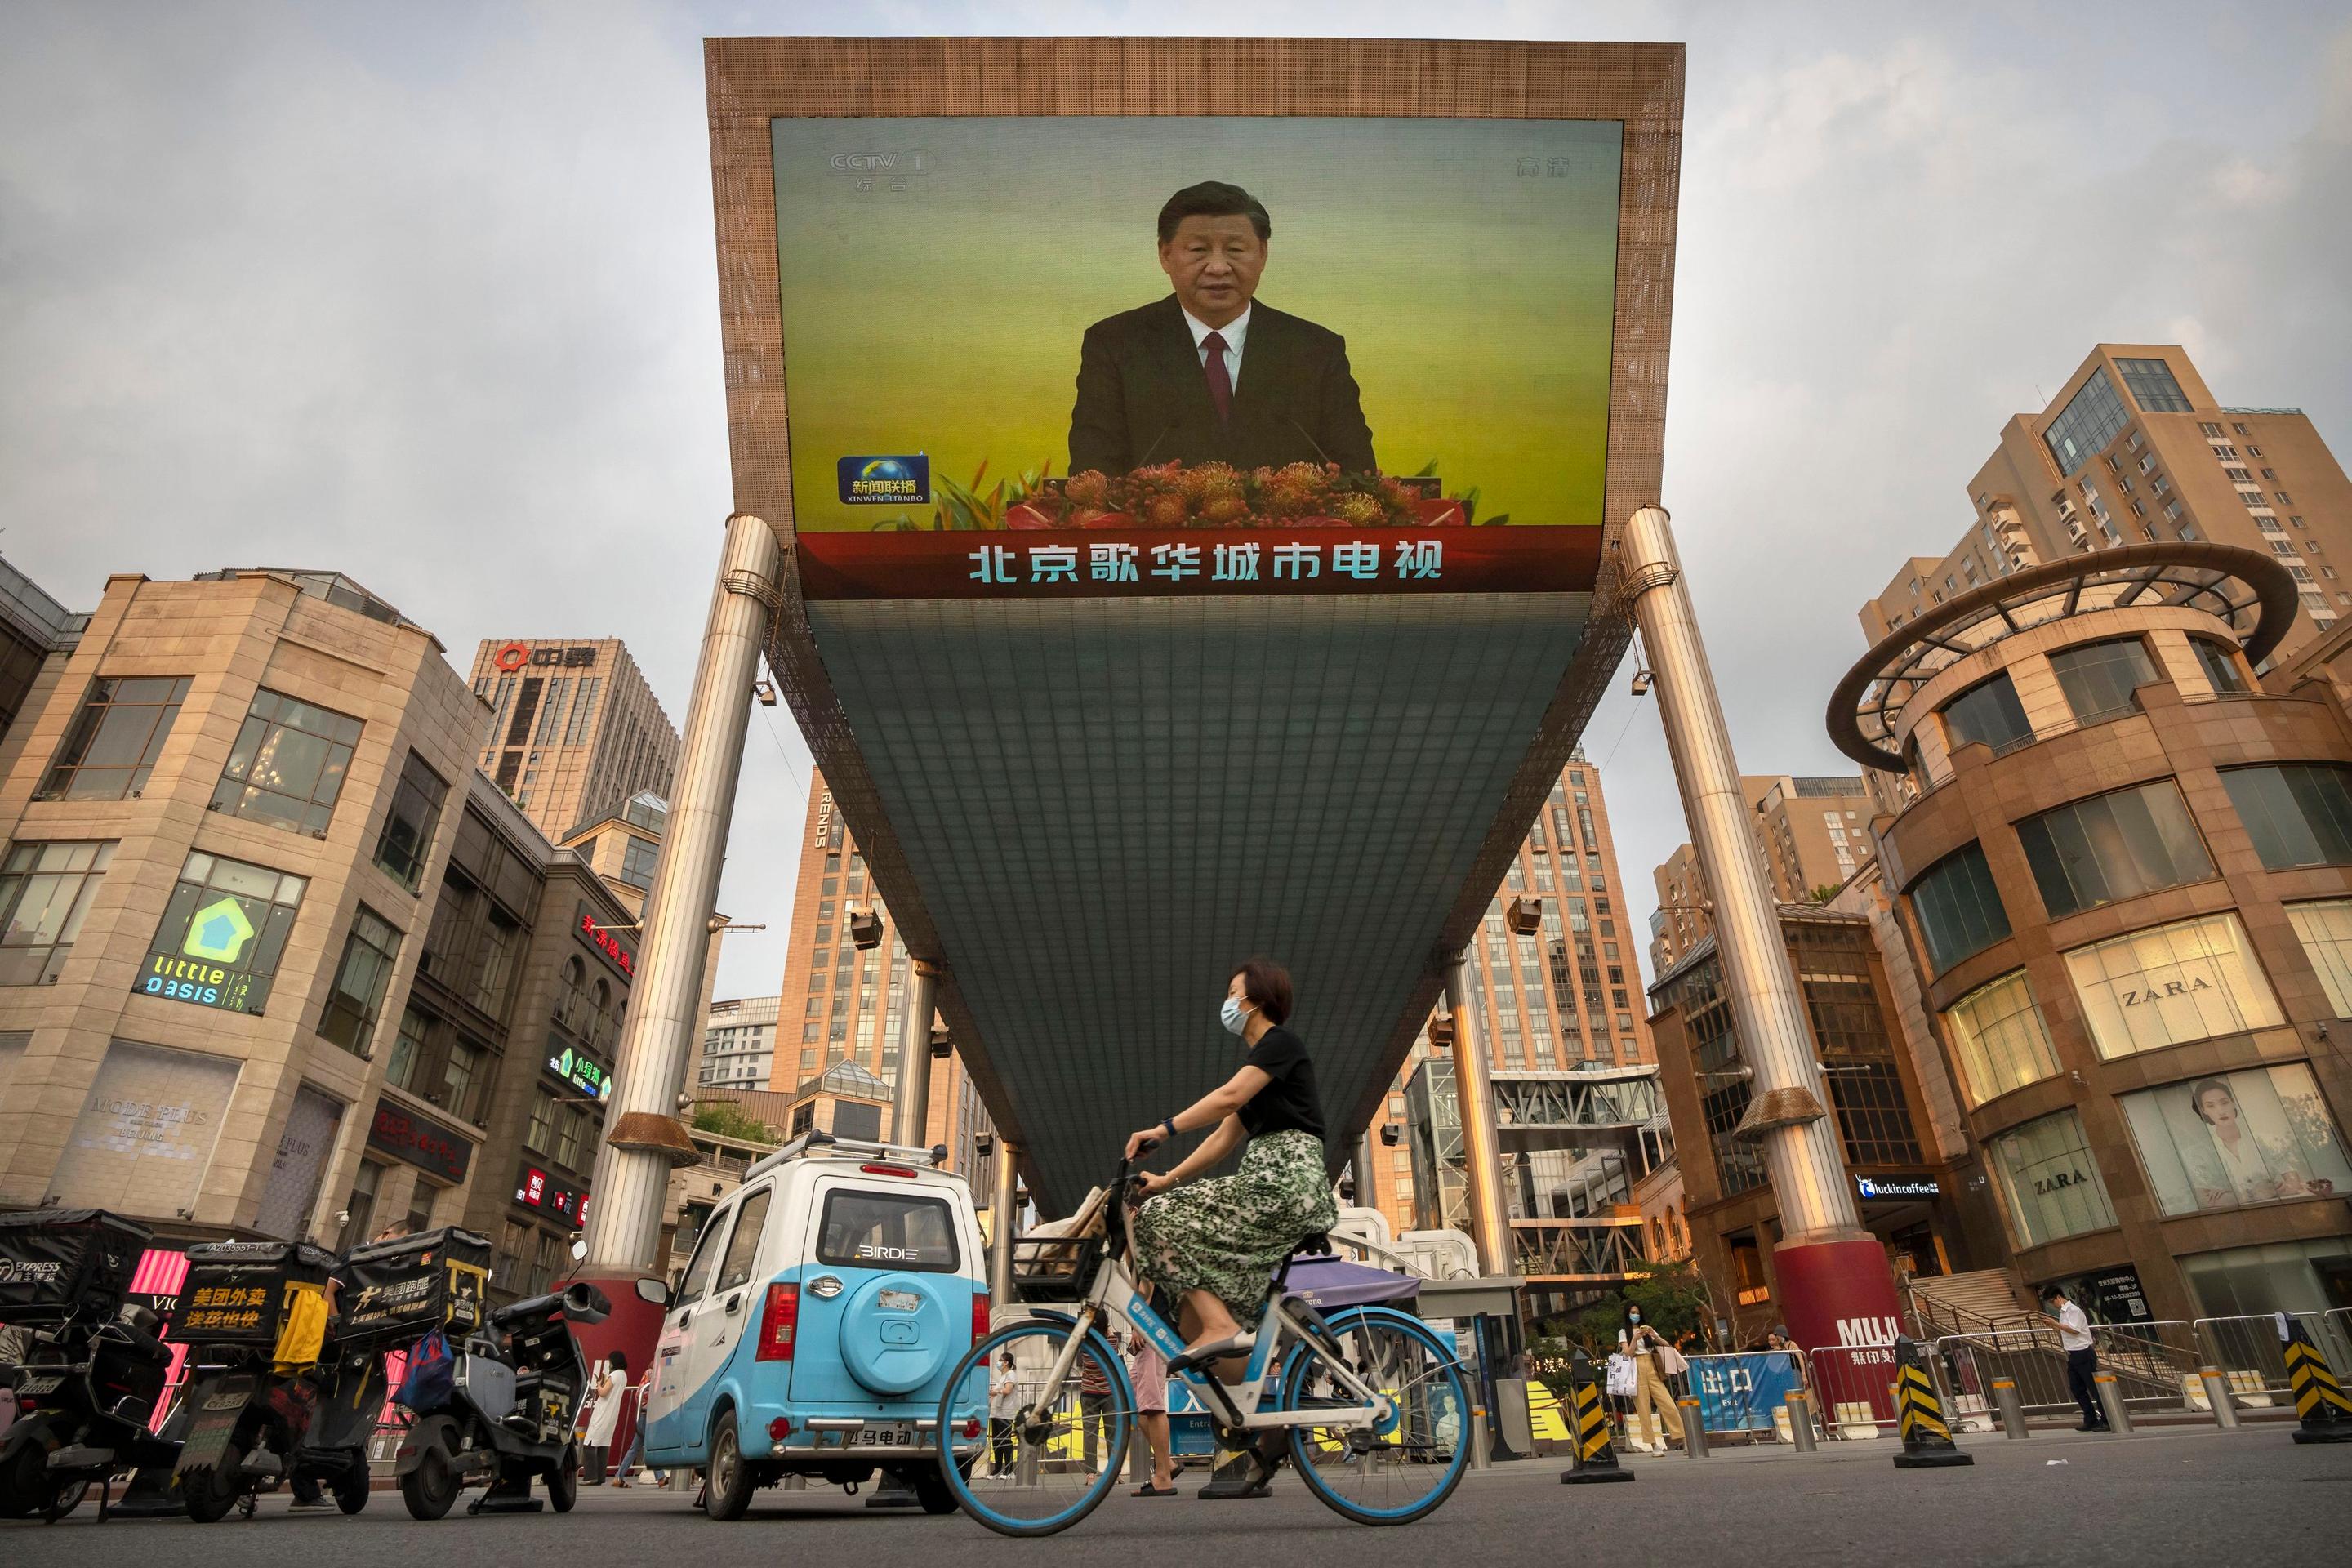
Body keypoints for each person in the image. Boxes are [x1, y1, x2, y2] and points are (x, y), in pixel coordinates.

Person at [1125, 959, 1337, 1500]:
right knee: (1197, 1310)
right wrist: (1165, 1177)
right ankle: (1263, 1428)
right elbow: (1224, 1137)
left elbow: (1225, 1099)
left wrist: (1162, 1129)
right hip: (1267, 1182)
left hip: (1283, 1184)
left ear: (1255, 1001)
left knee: (1158, 1220)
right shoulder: (1264, 1071)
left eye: (1232, 993)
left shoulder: (1280, 1045)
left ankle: (1224, 1329)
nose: (1227, 1001)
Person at [1068, 182, 1378, 479]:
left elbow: (1357, 474)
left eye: (1235, 250)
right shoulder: (1115, 345)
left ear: (1262, 254)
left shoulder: (1316, 350)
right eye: (1199, 249)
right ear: (1166, 255)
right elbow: (1093, 476)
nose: (1218, 267)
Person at [2039, 1285, 2107, 1432]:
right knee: (2077, 1388)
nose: (2052, 1305)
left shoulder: (2073, 1310)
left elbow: (2075, 1330)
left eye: (2052, 1301)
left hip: (2083, 1352)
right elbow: (2068, 1330)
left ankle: (2106, 1419)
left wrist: (2056, 1324)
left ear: (2058, 1297)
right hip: (2074, 1354)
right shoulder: (2064, 1312)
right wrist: (2054, 1326)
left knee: (2094, 1388)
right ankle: (2090, 1419)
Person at [1624, 1310, 1683, 1454]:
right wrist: (1635, 1339)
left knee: (1669, 1405)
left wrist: (1652, 1334)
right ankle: (1653, 1444)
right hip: (1636, 1367)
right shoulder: (1623, 1331)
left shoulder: (1647, 1329)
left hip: (1652, 1366)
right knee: (1644, 1409)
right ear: (1627, 1314)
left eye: (1637, 1312)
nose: (1635, 1315)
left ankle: (1684, 1438)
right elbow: (1628, 1353)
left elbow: (1666, 1344)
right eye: (1632, 1312)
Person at [1129, 1329, 1176, 1497]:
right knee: (1134, 1399)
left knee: (1151, 1402)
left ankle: (1163, 1476)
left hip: (1150, 1330)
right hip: (1149, 1332)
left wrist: (1138, 1328)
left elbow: (1145, 1300)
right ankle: (1167, 1463)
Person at [581, 1350, 626, 1481]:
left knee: (589, 1443)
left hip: (603, 1413)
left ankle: (590, 1477)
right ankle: (601, 1477)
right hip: (612, 1413)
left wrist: (600, 1384)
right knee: (603, 1444)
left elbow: (603, 1392)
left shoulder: (614, 1375)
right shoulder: (623, 1375)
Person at [611, 1361, 655, 1488]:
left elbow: (639, 1393)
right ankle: (661, 1476)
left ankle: (619, 1476)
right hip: (647, 1412)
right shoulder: (652, 1373)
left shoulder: (648, 1373)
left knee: (636, 1447)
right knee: (648, 1445)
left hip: (643, 1412)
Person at [988, 1349, 1020, 1475]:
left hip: (1005, 1413)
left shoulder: (1011, 1375)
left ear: (1006, 1362)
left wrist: (996, 1391)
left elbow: (1007, 1390)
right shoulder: (1002, 1377)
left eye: (1000, 1360)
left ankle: (1008, 1470)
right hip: (996, 1412)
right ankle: (997, 1469)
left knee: (1005, 1441)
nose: (999, 1363)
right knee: (996, 1441)